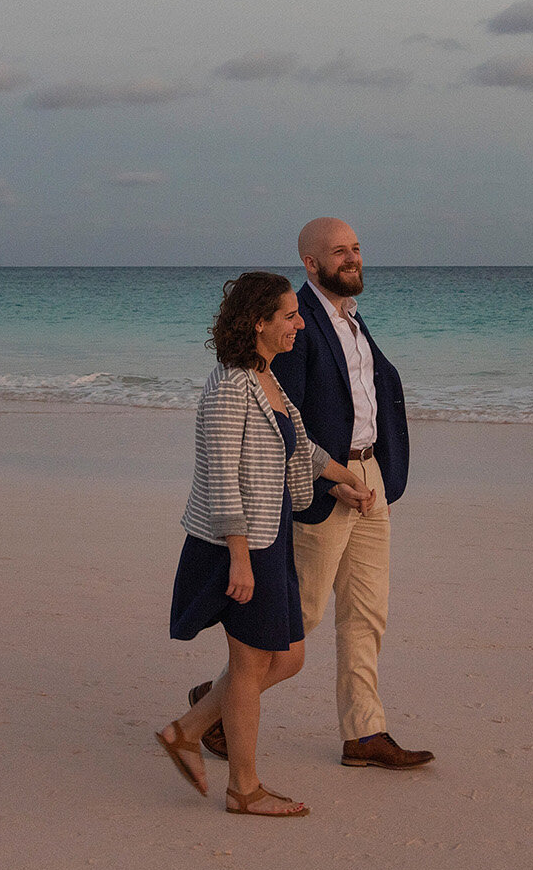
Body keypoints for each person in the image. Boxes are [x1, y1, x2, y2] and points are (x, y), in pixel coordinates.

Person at [190, 218, 432, 771]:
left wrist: (372, 474)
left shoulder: (350, 319)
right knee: (300, 615)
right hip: (328, 486)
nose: (352, 259)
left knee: (368, 613)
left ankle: (364, 732)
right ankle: (218, 706)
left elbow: (365, 395)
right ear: (310, 263)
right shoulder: (293, 322)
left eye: (356, 249)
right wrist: (329, 480)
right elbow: (287, 420)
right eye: (338, 252)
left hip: (369, 480)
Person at [157, 271, 378, 817]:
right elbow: (220, 475)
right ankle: (244, 788)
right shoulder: (232, 385)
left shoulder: (267, 379)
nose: (300, 323)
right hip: (238, 542)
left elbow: (301, 449)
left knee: (289, 657)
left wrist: (345, 481)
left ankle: (188, 728)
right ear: (259, 323)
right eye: (289, 316)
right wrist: (238, 555)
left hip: (270, 535)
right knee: (252, 662)